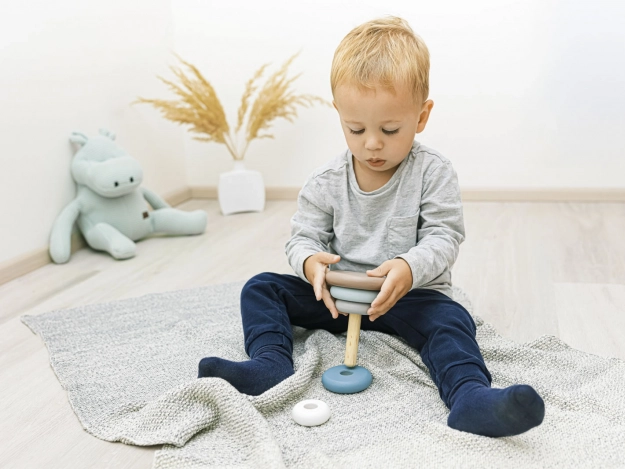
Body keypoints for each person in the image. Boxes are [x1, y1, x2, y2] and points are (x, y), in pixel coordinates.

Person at [199, 16, 545, 438]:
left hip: (408, 296)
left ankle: (470, 396)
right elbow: (303, 236)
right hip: (338, 298)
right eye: (356, 129)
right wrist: (310, 264)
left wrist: (408, 266)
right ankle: (269, 364)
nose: (372, 143)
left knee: (452, 321)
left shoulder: (433, 173)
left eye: (390, 129)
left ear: (422, 116)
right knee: (261, 287)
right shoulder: (326, 181)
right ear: (340, 115)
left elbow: (444, 235)